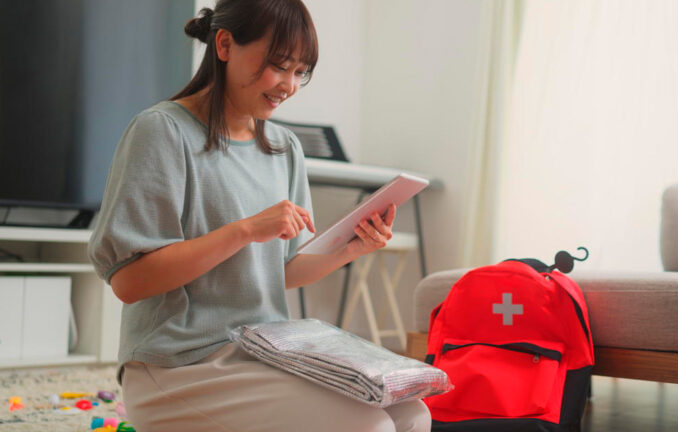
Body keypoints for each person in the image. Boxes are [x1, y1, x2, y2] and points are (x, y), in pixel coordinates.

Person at [87, 1, 431, 430]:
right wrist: (246, 230)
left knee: (413, 414)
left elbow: (282, 272)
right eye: (278, 66)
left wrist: (351, 248)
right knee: (369, 425)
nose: (288, 85)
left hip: (264, 352)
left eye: (300, 71)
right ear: (225, 45)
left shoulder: (284, 148)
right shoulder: (161, 132)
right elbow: (130, 281)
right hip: (178, 365)